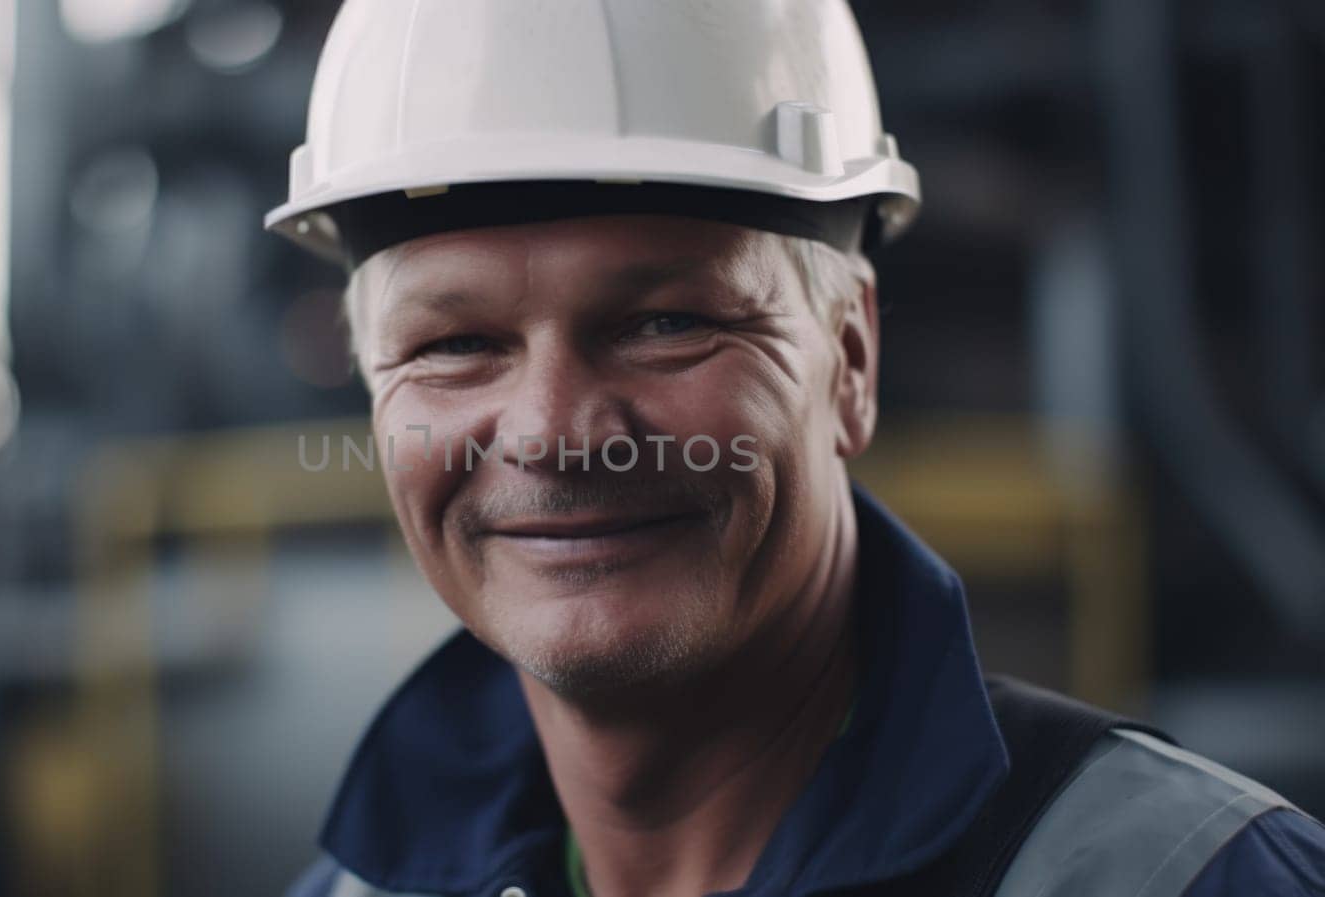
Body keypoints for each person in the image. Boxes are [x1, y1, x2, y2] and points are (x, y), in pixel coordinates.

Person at [266, 2, 1325, 895]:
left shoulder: (1185, 876)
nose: (554, 432)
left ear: (850, 361)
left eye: (665, 323)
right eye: (453, 345)